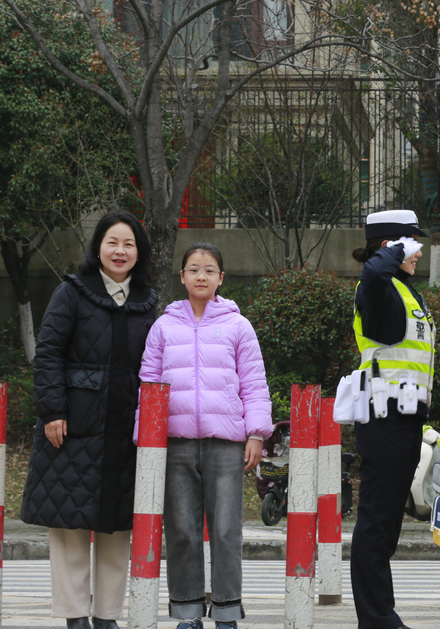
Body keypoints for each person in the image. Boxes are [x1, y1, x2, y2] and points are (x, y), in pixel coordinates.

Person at [21, 211, 158, 629]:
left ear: (139, 251)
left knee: (118, 529)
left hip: (125, 432)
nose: (120, 251)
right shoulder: (72, 293)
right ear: (98, 246)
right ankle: (75, 614)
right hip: (74, 428)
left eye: (129, 243)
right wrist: (53, 411)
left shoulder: (148, 302)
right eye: (112, 242)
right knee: (70, 526)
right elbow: (48, 355)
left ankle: (107, 616)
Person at [138, 242, 272, 629]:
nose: (201, 275)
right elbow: (148, 382)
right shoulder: (163, 326)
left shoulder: (237, 325)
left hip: (225, 444)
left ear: (221, 278)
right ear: (181, 277)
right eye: (194, 269)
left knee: (227, 530)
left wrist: (256, 434)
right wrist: (145, 442)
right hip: (175, 444)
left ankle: (227, 611)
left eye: (209, 269)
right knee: (181, 530)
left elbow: (254, 383)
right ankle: (188, 612)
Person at [349, 210, 433, 629]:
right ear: (390, 247)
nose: (419, 253)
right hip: (383, 420)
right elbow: (373, 275)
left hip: (406, 420)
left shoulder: (403, 289)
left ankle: (380, 614)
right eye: (411, 245)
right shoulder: (378, 287)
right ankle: (377, 619)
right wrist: (392, 250)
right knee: (377, 523)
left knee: (387, 525)